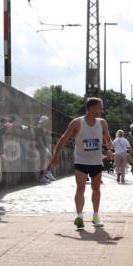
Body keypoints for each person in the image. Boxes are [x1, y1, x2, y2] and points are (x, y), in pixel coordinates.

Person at [47, 97, 114, 229]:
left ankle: (95, 216)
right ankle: (79, 216)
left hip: (96, 161)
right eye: (100, 107)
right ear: (91, 108)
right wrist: (55, 156)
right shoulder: (77, 123)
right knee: (81, 188)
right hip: (81, 160)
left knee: (96, 189)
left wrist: (110, 150)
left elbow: (108, 139)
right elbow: (63, 139)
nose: (102, 110)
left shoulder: (102, 123)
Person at [35, 115, 55, 184]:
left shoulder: (42, 128)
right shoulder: (39, 128)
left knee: (50, 158)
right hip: (42, 147)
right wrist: (45, 148)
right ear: (44, 121)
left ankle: (47, 173)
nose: (47, 122)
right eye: (46, 121)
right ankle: (41, 178)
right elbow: (40, 140)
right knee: (43, 162)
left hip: (44, 147)